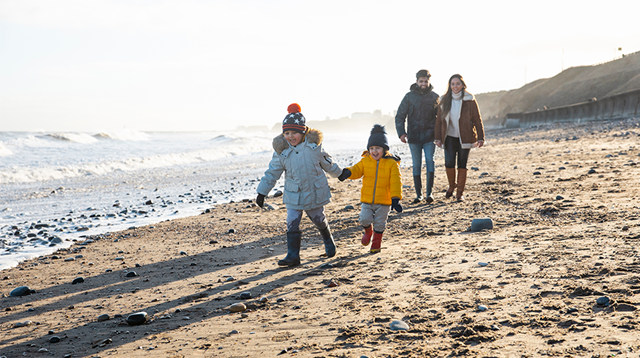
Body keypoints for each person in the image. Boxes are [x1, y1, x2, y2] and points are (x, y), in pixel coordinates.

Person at [256, 103, 343, 267]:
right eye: (286, 133)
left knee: (319, 219)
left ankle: (328, 240)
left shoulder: (313, 147)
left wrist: (340, 174)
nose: (290, 136)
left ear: (303, 132)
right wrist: (262, 192)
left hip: (314, 192)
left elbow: (327, 163)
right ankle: (293, 256)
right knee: (292, 222)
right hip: (294, 194)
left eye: (294, 132)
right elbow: (272, 172)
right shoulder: (282, 151)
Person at [338, 125, 403, 253]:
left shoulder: (392, 163)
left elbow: (396, 182)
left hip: (384, 202)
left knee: (380, 223)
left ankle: (376, 243)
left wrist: (395, 199)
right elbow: (356, 170)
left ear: (384, 149)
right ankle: (368, 231)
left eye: (377, 148)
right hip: (367, 200)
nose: (374, 151)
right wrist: (347, 173)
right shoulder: (365, 161)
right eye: (371, 148)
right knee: (364, 219)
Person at [434, 74, 485, 201]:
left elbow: (477, 119)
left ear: (462, 85)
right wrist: (438, 138)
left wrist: (481, 137)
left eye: (457, 83)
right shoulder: (444, 100)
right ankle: (452, 185)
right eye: (452, 84)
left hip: (465, 136)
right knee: (449, 163)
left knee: (462, 164)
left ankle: (459, 194)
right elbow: (439, 121)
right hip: (449, 137)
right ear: (449, 86)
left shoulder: (469, 99)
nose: (455, 86)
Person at [395, 69, 439, 204]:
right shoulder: (409, 97)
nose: (424, 84)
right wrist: (401, 133)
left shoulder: (435, 97)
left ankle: (429, 193)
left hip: (430, 137)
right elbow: (400, 116)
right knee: (416, 165)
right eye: (421, 81)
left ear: (429, 81)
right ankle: (419, 195)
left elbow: (441, 119)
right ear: (417, 81)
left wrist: (439, 136)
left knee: (430, 161)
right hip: (413, 137)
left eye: (426, 81)